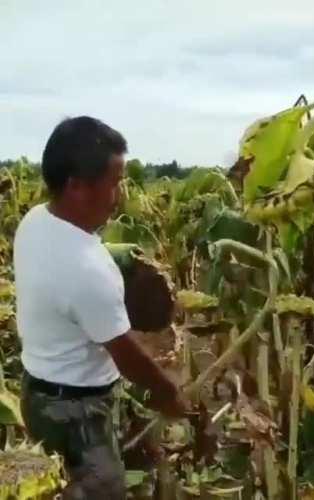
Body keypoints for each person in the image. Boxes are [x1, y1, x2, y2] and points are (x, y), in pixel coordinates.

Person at [13, 116, 187, 499]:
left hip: (37, 391)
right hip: (78, 412)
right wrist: (167, 391)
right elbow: (127, 356)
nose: (119, 195)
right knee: (102, 489)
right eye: (114, 183)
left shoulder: (34, 222)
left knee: (55, 486)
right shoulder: (88, 271)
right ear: (77, 186)